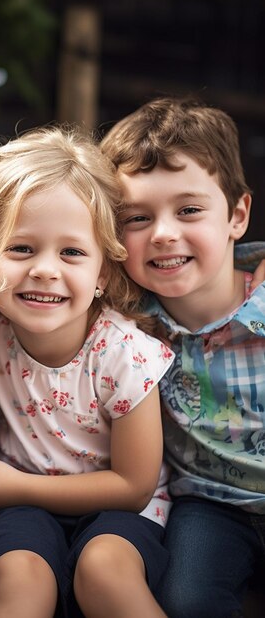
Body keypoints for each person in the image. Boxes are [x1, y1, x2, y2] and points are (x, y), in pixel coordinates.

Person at [0, 125, 175, 618]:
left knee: (103, 570)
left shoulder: (125, 355)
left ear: (103, 273)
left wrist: (19, 486)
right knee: (17, 574)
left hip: (120, 511)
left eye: (71, 252)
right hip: (22, 510)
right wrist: (12, 493)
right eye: (21, 248)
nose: (45, 269)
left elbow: (133, 486)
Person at [100, 96, 265, 617]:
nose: (164, 233)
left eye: (189, 210)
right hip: (210, 504)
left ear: (237, 214)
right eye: (137, 218)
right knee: (187, 600)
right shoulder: (126, 325)